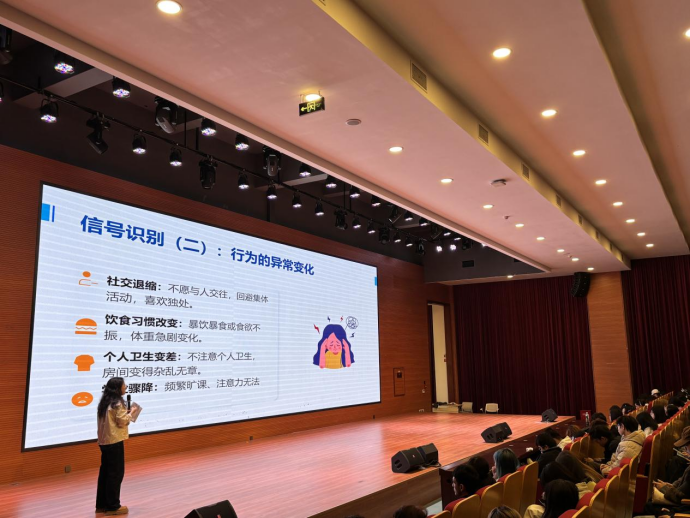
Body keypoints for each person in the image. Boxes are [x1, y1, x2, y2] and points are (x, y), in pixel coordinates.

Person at [96, 377, 134, 516]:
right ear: (118, 388)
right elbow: (122, 421)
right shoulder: (117, 402)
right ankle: (113, 506)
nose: (126, 387)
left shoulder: (104, 402)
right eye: (124, 385)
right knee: (115, 474)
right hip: (114, 441)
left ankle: (101, 505)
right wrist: (132, 413)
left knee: (105, 473)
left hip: (104, 441)